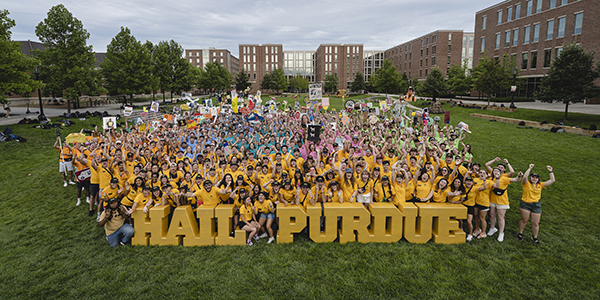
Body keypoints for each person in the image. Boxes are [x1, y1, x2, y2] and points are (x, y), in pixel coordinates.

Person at [517, 164, 555, 244]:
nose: (534, 179)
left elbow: (552, 180)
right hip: (525, 204)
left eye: (536, 178)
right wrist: (529, 168)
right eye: (533, 177)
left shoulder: (540, 185)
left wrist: (550, 171)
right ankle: (520, 233)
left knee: (535, 223)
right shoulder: (526, 184)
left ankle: (535, 237)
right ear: (530, 178)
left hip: (536, 205)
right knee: (524, 220)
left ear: (538, 179)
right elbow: (524, 177)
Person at [487, 168, 523, 242]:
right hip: (492, 200)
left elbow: (515, 180)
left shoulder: (504, 179)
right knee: (492, 215)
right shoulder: (491, 179)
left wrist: (519, 176)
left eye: (497, 171)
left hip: (502, 202)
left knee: (500, 217)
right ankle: (492, 228)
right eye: (494, 171)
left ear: (501, 173)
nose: (496, 172)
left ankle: (501, 233)